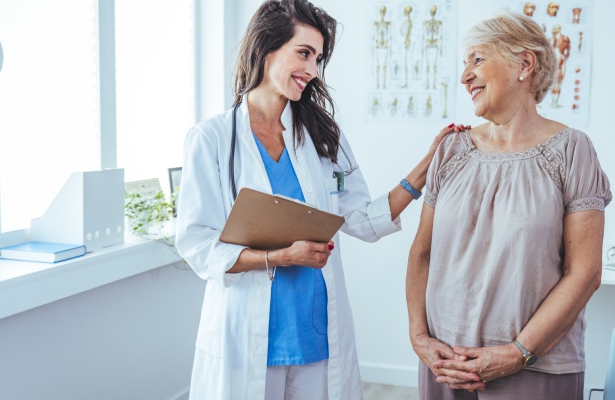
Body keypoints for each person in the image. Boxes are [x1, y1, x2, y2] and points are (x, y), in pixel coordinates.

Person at [175, 1, 464, 399]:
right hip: (247, 333)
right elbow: (197, 243)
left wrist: (425, 167)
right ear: (265, 48)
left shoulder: (322, 135)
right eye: (304, 53)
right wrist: (279, 257)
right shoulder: (212, 139)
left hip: (315, 331)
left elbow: (361, 219)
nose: (312, 70)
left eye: (318, 58)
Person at [406, 10, 611, 400]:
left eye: (478, 59)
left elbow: (584, 273)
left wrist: (517, 353)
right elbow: (421, 253)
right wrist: (419, 338)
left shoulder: (572, 150)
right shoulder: (451, 148)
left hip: (535, 366)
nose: (465, 76)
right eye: (464, 64)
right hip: (444, 365)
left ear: (524, 64)